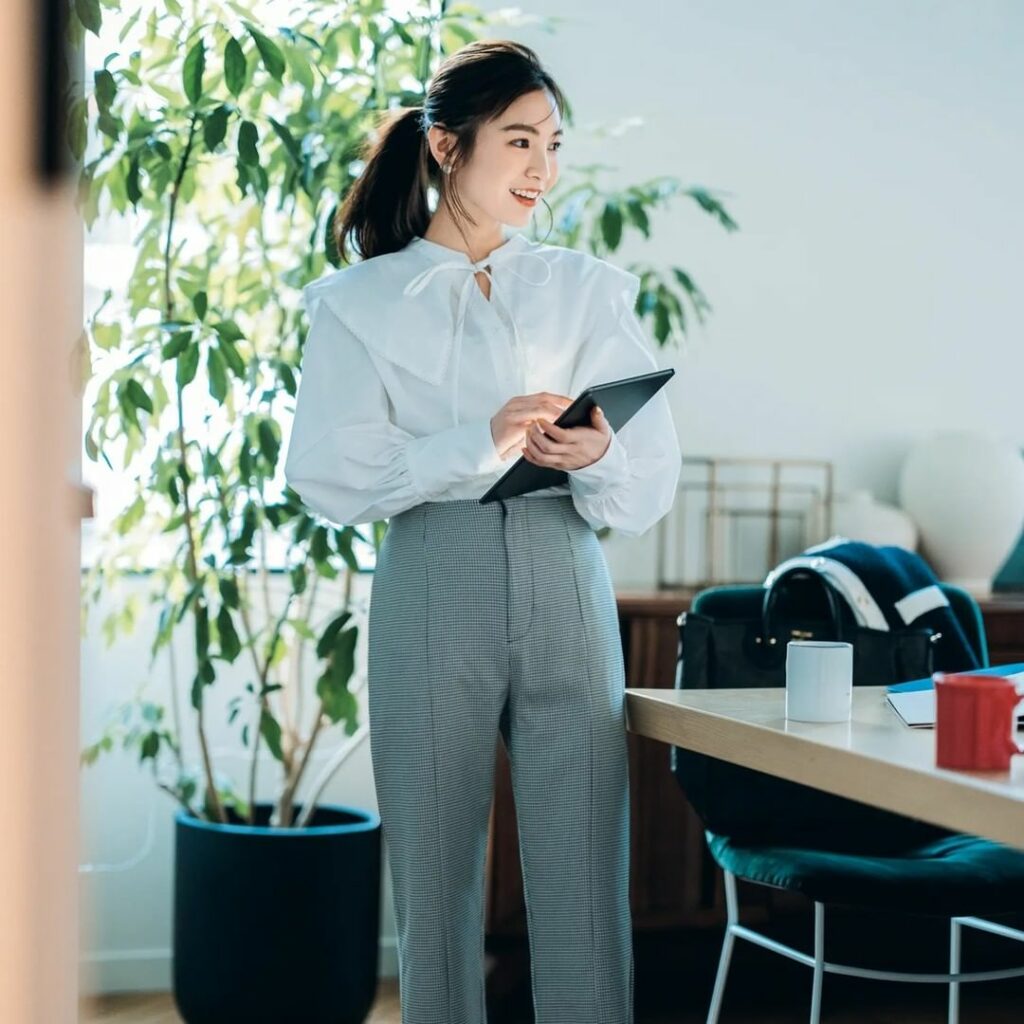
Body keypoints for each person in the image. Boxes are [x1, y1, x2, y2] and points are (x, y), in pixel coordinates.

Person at [283, 38, 681, 1024]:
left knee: (586, 866)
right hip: (431, 569)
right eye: (518, 140)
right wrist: (476, 439)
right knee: (435, 871)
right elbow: (325, 474)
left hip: (565, 565)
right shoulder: (356, 303)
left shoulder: (584, 288)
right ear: (446, 147)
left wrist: (598, 457)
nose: (541, 168)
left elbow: (650, 466)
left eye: (552, 143)